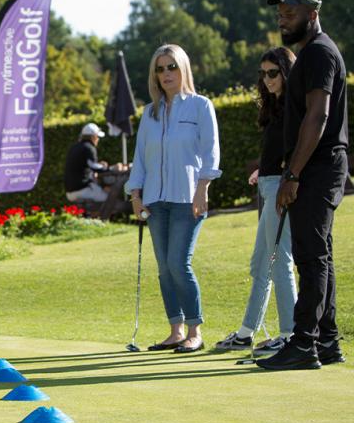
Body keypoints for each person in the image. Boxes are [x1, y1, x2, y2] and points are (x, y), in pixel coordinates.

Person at [257, 0, 348, 370]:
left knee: (310, 257)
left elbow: (318, 116)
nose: (282, 19)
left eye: (290, 13)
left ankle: (304, 344)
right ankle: (326, 340)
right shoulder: (313, 52)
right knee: (318, 255)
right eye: (280, 14)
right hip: (317, 168)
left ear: (312, 14)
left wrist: (292, 174)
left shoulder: (319, 53)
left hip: (318, 167)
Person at [125, 44, 222, 353]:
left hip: (187, 198)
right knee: (165, 268)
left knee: (179, 264)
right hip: (154, 201)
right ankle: (176, 330)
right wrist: (135, 195)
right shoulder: (149, 114)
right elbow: (140, 158)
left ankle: (195, 330)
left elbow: (211, 151)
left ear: (183, 69)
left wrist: (203, 188)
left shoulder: (200, 106)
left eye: (171, 67)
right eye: (160, 68)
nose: (166, 73)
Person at [215, 48, 298, 355]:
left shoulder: (294, 105)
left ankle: (290, 334)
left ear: (287, 72)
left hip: (281, 189)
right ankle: (247, 332)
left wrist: (281, 179)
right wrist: (262, 173)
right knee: (260, 263)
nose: (268, 79)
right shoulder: (275, 106)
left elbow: (296, 150)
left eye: (273, 73)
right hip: (268, 185)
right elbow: (276, 150)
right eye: (264, 73)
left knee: (278, 261)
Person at [64, 123, 114, 203]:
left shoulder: (75, 147)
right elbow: (94, 166)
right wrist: (108, 168)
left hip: (70, 191)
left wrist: (100, 166)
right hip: (81, 190)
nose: (98, 139)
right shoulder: (89, 147)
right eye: (97, 137)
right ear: (93, 137)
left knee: (101, 191)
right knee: (110, 198)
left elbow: (85, 166)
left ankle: (97, 215)